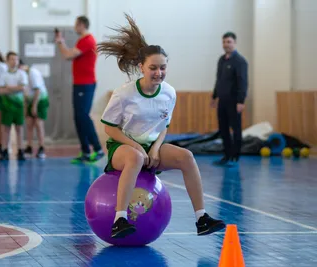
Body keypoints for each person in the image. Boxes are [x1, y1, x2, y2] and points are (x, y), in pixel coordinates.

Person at [97, 14, 226, 239]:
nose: (159, 72)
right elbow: (110, 129)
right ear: (142, 67)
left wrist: (156, 148)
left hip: (151, 147)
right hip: (122, 148)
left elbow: (163, 125)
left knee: (186, 156)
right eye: (153, 67)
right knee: (135, 158)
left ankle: (202, 218)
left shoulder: (169, 93)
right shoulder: (124, 94)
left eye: (163, 67)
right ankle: (119, 219)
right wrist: (136, 147)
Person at [54, 16, 104, 164]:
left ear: (82, 25)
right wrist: (60, 42)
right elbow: (68, 55)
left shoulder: (88, 40)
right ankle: (86, 152)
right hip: (79, 84)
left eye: (76, 24)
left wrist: (60, 42)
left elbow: (68, 55)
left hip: (86, 84)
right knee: (78, 117)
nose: (75, 27)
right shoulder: (81, 40)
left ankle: (98, 149)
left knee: (83, 116)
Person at [211, 32, 248, 167]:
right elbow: (219, 80)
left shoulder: (240, 61)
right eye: (224, 42)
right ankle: (226, 155)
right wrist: (214, 96)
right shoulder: (222, 60)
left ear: (234, 43)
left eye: (229, 42)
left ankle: (235, 156)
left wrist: (241, 101)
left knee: (236, 128)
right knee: (223, 129)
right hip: (222, 101)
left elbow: (243, 82)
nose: (226, 44)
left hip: (234, 102)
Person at [0, 52, 27, 161]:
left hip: (18, 105)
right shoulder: (3, 75)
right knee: (6, 129)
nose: (14, 61)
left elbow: (23, 88)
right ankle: (4, 150)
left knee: (19, 128)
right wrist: (16, 88)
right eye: (11, 59)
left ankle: (20, 150)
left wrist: (8, 88)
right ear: (7, 61)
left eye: (16, 59)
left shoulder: (21, 74)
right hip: (6, 105)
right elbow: (0, 91)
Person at [20, 61, 49, 159]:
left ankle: (41, 147)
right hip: (29, 100)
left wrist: (34, 106)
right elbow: (24, 92)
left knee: (38, 123)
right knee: (29, 123)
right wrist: (25, 107)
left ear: (23, 66)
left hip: (40, 100)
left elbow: (37, 90)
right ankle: (29, 146)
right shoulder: (20, 75)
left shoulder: (33, 73)